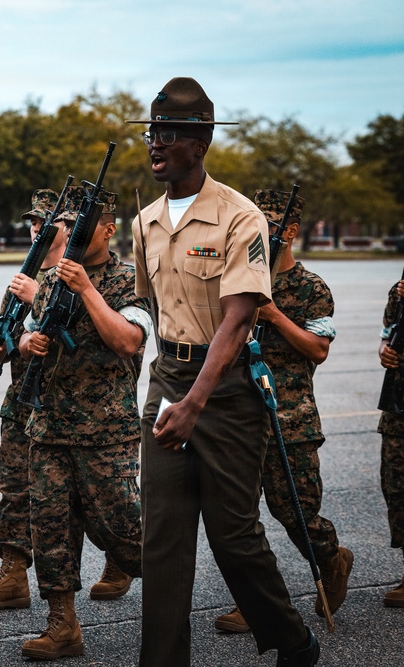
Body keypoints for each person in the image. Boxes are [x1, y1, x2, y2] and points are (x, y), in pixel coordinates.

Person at [128, 77, 319, 666]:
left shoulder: (241, 218)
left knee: (234, 537)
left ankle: (293, 641)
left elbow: (238, 321)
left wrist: (195, 405)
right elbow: (153, 308)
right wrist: (168, 390)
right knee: (162, 538)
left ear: (201, 140)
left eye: (170, 134)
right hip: (169, 382)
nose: (156, 144)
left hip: (227, 394)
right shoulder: (145, 220)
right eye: (152, 133)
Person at [0, 188, 132, 612]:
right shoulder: (28, 275)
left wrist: (36, 295)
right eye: (34, 223)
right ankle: (16, 574)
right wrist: (7, 345)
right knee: (23, 495)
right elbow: (12, 333)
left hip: (89, 413)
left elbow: (124, 340)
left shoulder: (99, 280)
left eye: (48, 223)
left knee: (100, 508)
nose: (37, 229)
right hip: (26, 403)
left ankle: (121, 558)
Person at [18, 189, 147, 660]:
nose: (69, 235)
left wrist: (86, 289)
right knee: (50, 530)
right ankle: (62, 625)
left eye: (81, 226)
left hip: (104, 432)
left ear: (109, 230)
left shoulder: (128, 281)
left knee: (123, 531)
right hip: (48, 427)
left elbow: (129, 341)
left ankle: (173, 588)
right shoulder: (50, 280)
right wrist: (27, 341)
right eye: (67, 227)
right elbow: (28, 330)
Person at [215, 189, 351, 633]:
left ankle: (331, 559)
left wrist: (272, 315)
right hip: (238, 414)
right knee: (239, 518)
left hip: (288, 418)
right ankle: (257, 604)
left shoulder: (310, 288)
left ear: (290, 231)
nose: (262, 233)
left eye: (271, 225)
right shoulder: (237, 277)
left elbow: (318, 349)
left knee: (295, 510)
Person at [378, 278, 404, 607]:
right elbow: (387, 336)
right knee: (396, 488)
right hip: (398, 408)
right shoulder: (398, 292)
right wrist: (384, 353)